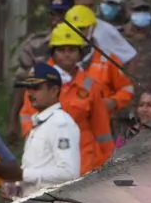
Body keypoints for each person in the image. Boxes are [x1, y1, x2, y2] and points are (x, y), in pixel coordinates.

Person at [48, 23, 118, 172]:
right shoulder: (41, 82)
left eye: (72, 50)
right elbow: (28, 116)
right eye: (61, 50)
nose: (67, 54)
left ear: (80, 53)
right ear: (53, 54)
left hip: (83, 160)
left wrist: (108, 160)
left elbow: (101, 128)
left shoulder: (91, 85)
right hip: (49, 156)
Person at [15, 66, 84, 190]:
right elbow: (37, 165)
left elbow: (69, 173)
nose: (30, 93)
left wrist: (23, 175)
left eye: (36, 88)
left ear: (53, 91)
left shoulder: (61, 124)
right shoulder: (41, 122)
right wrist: (17, 186)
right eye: (28, 88)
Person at [66, 1, 136, 117]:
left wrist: (114, 102)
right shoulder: (56, 60)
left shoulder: (107, 60)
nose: (76, 32)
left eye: (82, 28)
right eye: (72, 28)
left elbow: (126, 89)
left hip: (101, 121)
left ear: (92, 29)